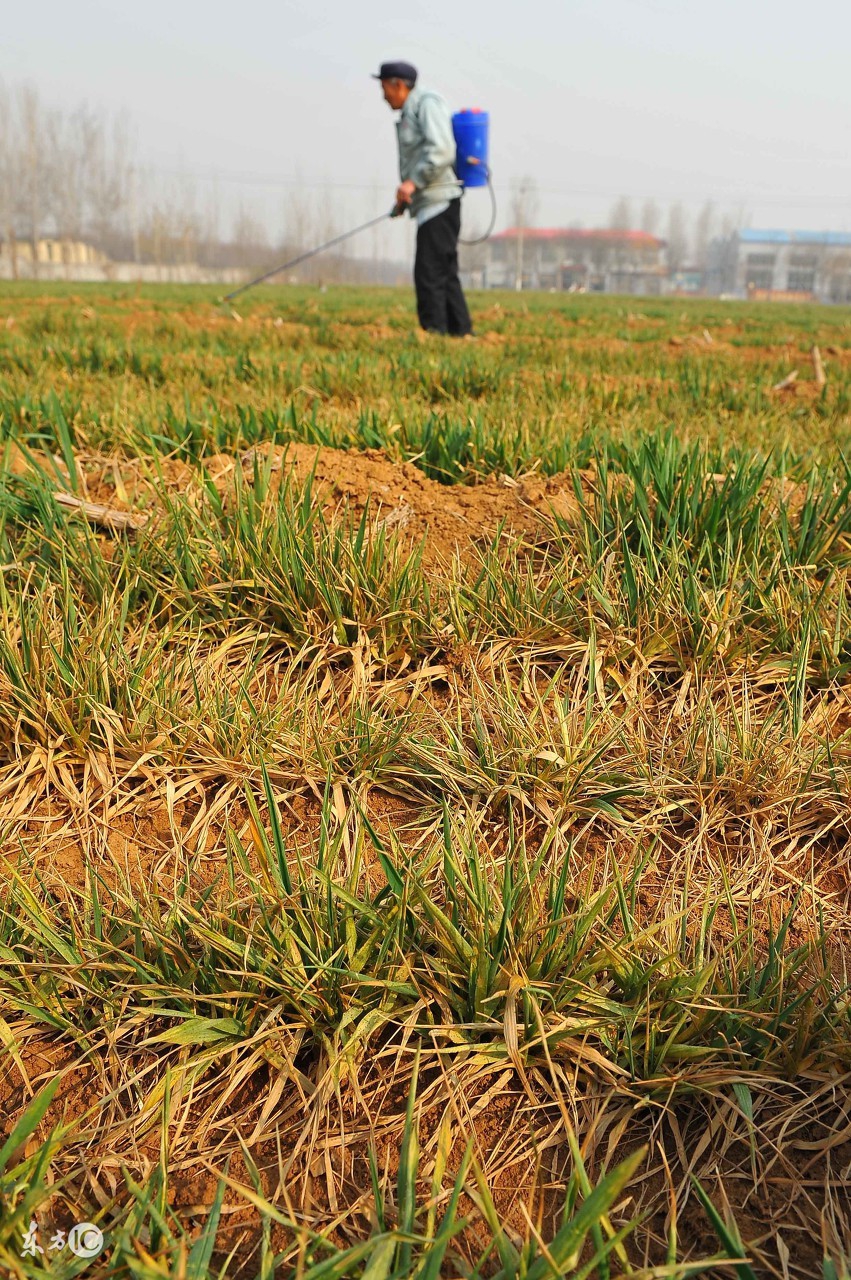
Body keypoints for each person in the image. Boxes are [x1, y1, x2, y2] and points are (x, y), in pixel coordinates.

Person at [373, 60, 473, 337]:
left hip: (440, 202)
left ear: (399, 85)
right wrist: (406, 197)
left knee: (429, 274)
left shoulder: (426, 103)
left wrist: (412, 183)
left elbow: (441, 150)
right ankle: (460, 333)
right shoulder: (411, 110)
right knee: (444, 274)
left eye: (385, 89)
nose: (384, 96)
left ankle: (435, 335)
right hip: (431, 202)